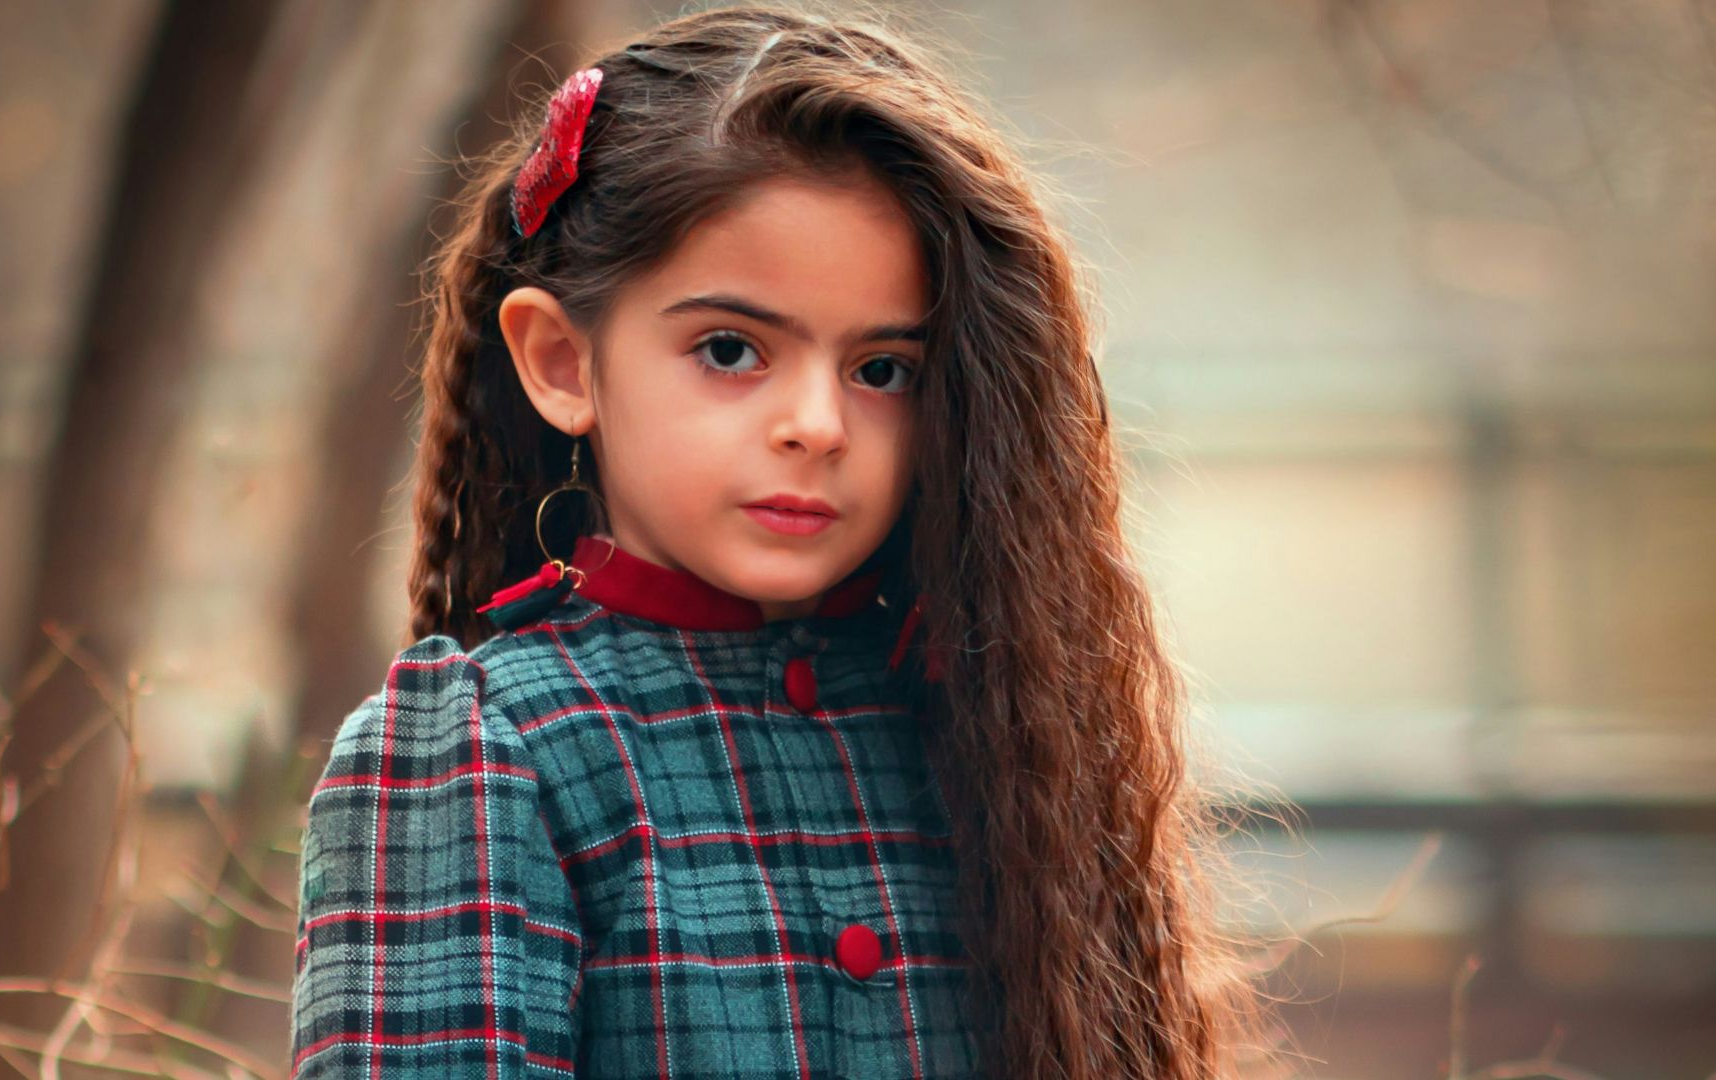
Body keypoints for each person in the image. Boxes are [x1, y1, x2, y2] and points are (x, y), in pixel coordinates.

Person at [289, 6, 1271, 1078]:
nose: (820, 423)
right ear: (563, 363)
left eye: (883, 368)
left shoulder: (997, 726)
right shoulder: (491, 747)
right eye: (730, 349)